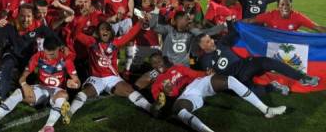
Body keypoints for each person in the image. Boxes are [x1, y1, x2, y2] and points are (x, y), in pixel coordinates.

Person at [150, 53, 286, 132]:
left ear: (164, 59)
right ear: (153, 67)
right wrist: (164, 98)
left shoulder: (177, 68)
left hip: (197, 84)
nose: (158, 64)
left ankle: (266, 110)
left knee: (230, 80)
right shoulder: (156, 84)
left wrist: (206, 73)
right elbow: (158, 106)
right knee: (178, 109)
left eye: (159, 60)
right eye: (154, 63)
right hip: (185, 96)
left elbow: (194, 73)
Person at [0, 36, 80, 132]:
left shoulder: (65, 60)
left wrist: (73, 83)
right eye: (47, 54)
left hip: (57, 91)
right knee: (19, 92)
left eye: (53, 54)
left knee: (63, 96)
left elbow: (77, 82)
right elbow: (22, 77)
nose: (49, 57)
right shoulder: (38, 56)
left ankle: (47, 127)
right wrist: (24, 85)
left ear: (59, 49)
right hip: (42, 89)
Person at [194, 18, 320, 97]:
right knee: (251, 93)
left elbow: (234, 33)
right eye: (207, 42)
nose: (211, 42)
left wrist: (229, 22)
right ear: (201, 46)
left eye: (210, 39)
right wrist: (211, 75)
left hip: (246, 64)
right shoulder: (204, 60)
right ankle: (274, 87)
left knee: (268, 62)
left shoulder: (221, 42)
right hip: (235, 79)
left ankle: (303, 78)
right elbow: (211, 77)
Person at [68, 19, 156, 121]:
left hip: (112, 78)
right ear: (97, 33)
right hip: (96, 78)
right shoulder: (91, 42)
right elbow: (76, 33)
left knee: (129, 90)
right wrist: (83, 18)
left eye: (107, 30)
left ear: (111, 32)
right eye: (102, 29)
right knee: (84, 93)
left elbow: (130, 35)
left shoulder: (115, 43)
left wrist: (140, 23)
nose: (105, 31)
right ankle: (69, 113)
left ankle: (150, 108)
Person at [244, 0, 326, 32]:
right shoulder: (270, 15)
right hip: (273, 42)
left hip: (288, 41)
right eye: (282, 4)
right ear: (278, 6)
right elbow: (250, 20)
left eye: (287, 5)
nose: (285, 7)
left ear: (291, 6)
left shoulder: (297, 16)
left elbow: (317, 27)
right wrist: (234, 23)